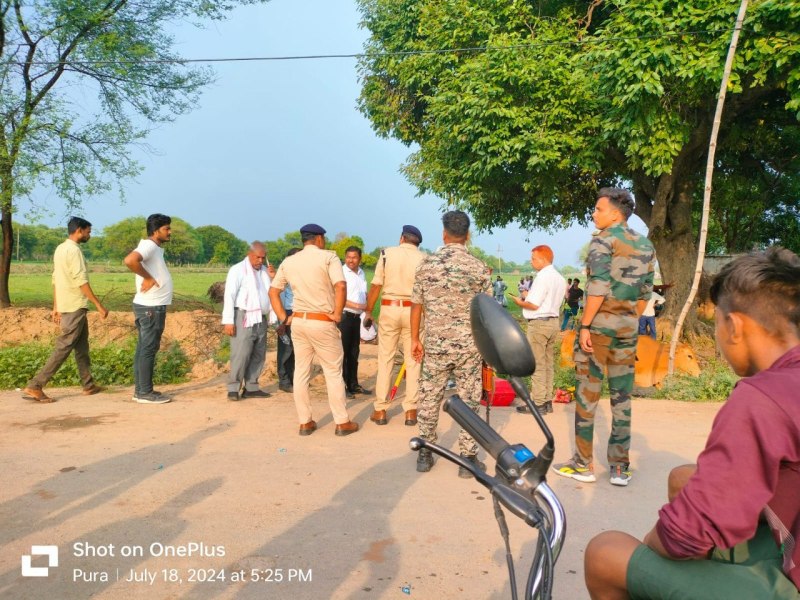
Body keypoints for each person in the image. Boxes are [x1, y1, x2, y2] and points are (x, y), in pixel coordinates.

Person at [584, 247, 800, 600]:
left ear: (734, 326)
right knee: (683, 478)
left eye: (717, 323)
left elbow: (683, 536)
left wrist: (650, 546)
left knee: (606, 552)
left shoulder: (762, 397)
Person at [552, 188, 655, 486]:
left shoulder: (603, 240)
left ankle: (583, 464)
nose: (593, 214)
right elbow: (645, 292)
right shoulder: (645, 244)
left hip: (598, 329)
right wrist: (626, 318)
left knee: (587, 396)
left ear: (615, 213)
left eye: (598, 209)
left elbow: (597, 286)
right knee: (622, 398)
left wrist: (585, 325)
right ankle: (619, 468)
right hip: (627, 328)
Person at [411, 211, 492, 476]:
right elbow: (487, 312)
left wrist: (414, 338)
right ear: (467, 235)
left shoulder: (426, 265)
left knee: (429, 397)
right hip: (469, 347)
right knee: (469, 400)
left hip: (435, 344)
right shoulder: (479, 268)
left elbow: (416, 305)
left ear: (444, 234)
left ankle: (425, 453)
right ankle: (468, 459)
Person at [268, 223, 359, 437]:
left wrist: (284, 318)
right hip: (322, 321)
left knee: (301, 372)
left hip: (299, 322)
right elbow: (341, 286)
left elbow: (273, 292)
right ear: (319, 238)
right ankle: (341, 422)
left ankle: (305, 422)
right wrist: (338, 313)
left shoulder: (289, 261)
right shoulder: (329, 257)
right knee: (333, 372)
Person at [22, 217, 109, 403]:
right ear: (79, 230)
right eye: (88, 231)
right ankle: (36, 385)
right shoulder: (74, 251)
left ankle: (88, 384)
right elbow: (81, 281)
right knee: (64, 347)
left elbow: (56, 279)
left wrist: (56, 306)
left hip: (69, 304)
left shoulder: (60, 248)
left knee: (82, 347)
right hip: (74, 305)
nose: (89, 235)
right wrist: (98, 304)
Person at [365, 225, 426, 427]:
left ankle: (381, 409)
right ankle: (411, 410)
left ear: (402, 238)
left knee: (386, 359)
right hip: (414, 311)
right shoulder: (424, 259)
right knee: (414, 360)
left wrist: (368, 311)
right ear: (417, 243)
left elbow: (376, 285)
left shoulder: (386, 254)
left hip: (390, 309)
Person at [509, 245, 567, 416]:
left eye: (533, 258)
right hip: (553, 322)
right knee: (548, 363)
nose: (531, 261)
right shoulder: (559, 278)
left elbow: (534, 305)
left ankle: (538, 403)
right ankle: (547, 400)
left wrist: (520, 302)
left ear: (543, 259)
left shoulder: (542, 277)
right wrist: (528, 297)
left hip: (539, 324)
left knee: (538, 364)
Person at [123, 213, 174, 405]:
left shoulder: (154, 247)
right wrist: (148, 278)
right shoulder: (149, 245)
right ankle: (144, 392)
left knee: (144, 348)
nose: (170, 232)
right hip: (150, 307)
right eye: (166, 228)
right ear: (155, 231)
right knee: (148, 349)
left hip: (150, 306)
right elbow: (130, 260)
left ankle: (141, 390)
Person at [221, 242, 276, 401]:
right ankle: (233, 388)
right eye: (257, 257)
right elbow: (229, 295)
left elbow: (273, 292)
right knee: (241, 354)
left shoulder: (265, 271)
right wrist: (228, 321)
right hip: (243, 316)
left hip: (261, 318)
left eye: (263, 257)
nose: (260, 260)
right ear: (249, 254)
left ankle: (251, 387)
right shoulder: (237, 269)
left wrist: (273, 277)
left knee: (259, 354)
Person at [340, 245, 370, 399]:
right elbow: (337, 297)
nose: (351, 260)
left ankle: (353, 384)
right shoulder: (340, 273)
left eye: (354, 257)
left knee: (354, 352)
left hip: (356, 318)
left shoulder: (361, 273)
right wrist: (359, 306)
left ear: (360, 259)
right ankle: (342, 387)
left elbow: (364, 294)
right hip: (344, 317)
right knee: (342, 353)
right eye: (348, 257)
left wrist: (367, 310)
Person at [276, 248, 300, 393]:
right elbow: (277, 299)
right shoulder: (283, 276)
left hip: (300, 313)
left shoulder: (302, 274)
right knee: (286, 349)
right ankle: (284, 381)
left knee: (297, 348)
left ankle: (293, 378)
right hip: (286, 313)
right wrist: (281, 321)